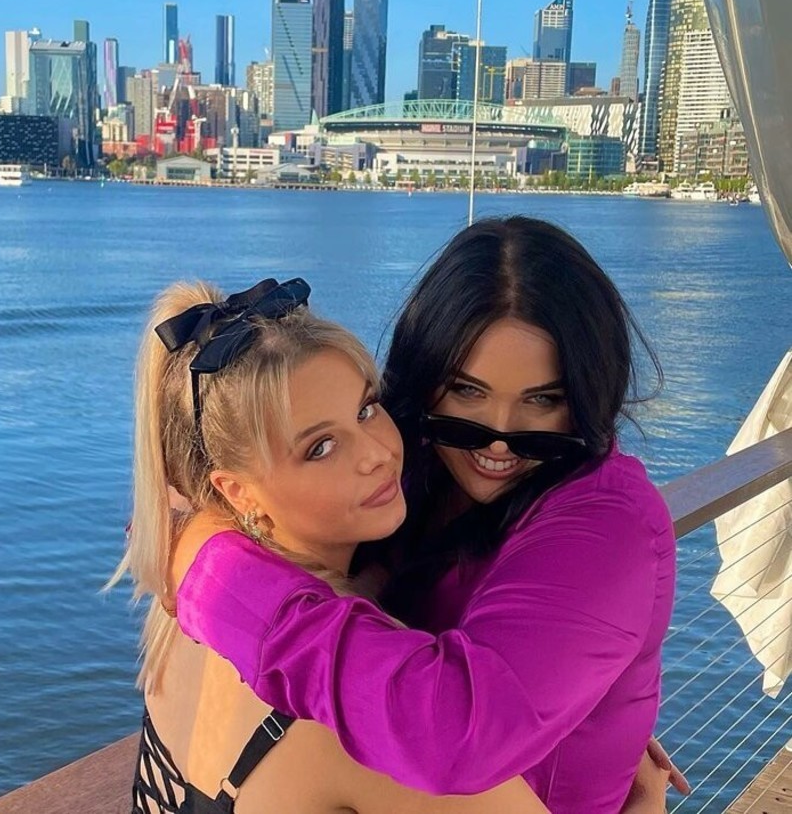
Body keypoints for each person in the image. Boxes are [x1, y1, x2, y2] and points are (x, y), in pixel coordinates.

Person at [172, 218, 679, 814]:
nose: (499, 438)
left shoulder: (611, 526)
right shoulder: (412, 456)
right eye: (467, 391)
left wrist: (213, 576)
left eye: (544, 399)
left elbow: (453, 735)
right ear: (425, 376)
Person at [112, 275, 554, 813]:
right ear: (238, 491)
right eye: (320, 447)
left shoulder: (187, 613)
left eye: (366, 409)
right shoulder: (354, 704)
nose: (376, 453)